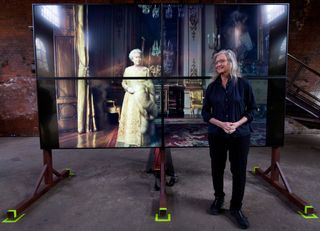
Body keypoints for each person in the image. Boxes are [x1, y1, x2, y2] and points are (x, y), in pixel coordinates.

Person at [201, 49, 256, 229]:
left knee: (238, 171)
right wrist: (221, 124)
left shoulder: (243, 85)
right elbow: (205, 113)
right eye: (216, 62)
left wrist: (236, 124)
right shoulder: (212, 87)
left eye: (222, 61)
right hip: (217, 134)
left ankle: (236, 207)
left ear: (231, 63)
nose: (218, 65)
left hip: (240, 135)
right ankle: (218, 198)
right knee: (217, 168)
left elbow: (252, 110)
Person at [116, 49, 158, 147]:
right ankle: (131, 139)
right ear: (132, 59)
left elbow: (150, 85)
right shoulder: (128, 70)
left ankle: (142, 140)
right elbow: (123, 83)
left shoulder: (146, 70)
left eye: (139, 57)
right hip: (130, 97)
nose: (138, 59)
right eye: (135, 57)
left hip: (143, 97)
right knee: (131, 118)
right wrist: (128, 88)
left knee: (143, 118)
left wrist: (151, 97)